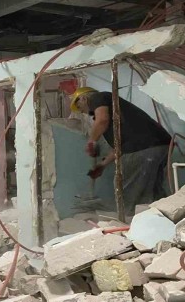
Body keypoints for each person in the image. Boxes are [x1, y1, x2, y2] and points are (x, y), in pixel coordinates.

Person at [70, 86, 171, 214]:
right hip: (160, 146)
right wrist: (102, 165)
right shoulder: (117, 117)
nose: (82, 112)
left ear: (83, 98)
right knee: (152, 190)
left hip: (143, 147)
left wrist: (91, 141)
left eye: (79, 106)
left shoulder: (97, 97)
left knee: (125, 188)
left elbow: (102, 120)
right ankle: (161, 217)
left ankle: (129, 219)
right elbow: (120, 148)